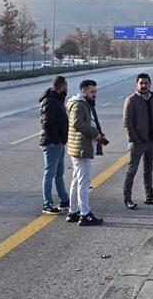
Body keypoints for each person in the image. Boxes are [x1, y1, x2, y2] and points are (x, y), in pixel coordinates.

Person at [121, 72, 153, 209]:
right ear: (137, 84)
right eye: (141, 83)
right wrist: (135, 139)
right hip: (137, 143)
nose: (144, 85)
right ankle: (127, 199)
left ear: (150, 84)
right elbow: (127, 122)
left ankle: (149, 196)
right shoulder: (131, 100)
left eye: (146, 83)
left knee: (148, 169)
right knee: (132, 170)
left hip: (152, 141)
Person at [65, 79, 105, 226]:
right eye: (91, 91)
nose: (94, 94)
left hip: (81, 146)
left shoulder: (83, 103)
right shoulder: (79, 104)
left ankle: (73, 211)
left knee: (77, 180)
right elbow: (77, 123)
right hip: (81, 148)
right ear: (83, 91)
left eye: (95, 91)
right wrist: (95, 133)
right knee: (84, 182)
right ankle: (85, 214)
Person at [38, 75, 71, 215]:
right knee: (49, 173)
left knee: (59, 173)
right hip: (51, 143)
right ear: (61, 86)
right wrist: (57, 140)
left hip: (58, 142)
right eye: (66, 85)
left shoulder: (57, 99)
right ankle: (47, 204)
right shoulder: (50, 101)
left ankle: (64, 199)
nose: (67, 87)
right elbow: (47, 124)